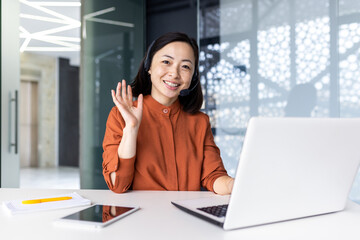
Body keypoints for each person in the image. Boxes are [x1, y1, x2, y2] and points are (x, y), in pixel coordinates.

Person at [102, 32, 234, 195]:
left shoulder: (200, 121)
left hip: (186, 217)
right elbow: (117, 185)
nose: (175, 73)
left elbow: (213, 176)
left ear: (192, 76)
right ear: (149, 66)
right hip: (142, 218)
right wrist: (131, 128)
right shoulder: (120, 115)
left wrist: (234, 185)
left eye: (185, 66)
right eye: (166, 62)